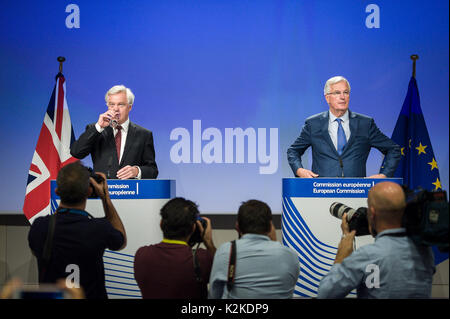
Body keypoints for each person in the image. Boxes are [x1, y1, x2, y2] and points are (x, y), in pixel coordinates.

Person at [317, 181, 435, 298]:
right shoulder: (425, 252)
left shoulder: (367, 256)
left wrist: (341, 257)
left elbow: (325, 294)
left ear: (372, 213)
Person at [28, 161, 126, 299]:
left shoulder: (40, 227)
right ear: (89, 191)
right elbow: (121, 241)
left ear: (57, 191)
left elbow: (36, 251)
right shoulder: (99, 228)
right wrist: (105, 198)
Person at [287, 76, 401, 178]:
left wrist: (384, 174)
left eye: (346, 92)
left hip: (355, 192)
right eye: (337, 93)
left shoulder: (365, 124)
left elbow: (393, 149)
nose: (342, 97)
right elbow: (293, 151)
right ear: (327, 98)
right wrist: (299, 170)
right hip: (321, 191)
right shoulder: (313, 124)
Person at [208, 200, 299, 299]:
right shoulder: (290, 256)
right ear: (270, 226)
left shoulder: (226, 251)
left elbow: (214, 295)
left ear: (237, 226)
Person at [133, 197, 216, 299]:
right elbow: (222, 271)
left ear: (161, 224)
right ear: (193, 228)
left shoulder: (142, 255)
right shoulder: (203, 258)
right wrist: (209, 242)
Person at [70, 85, 158, 179]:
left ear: (130, 107)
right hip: (103, 190)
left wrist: (136, 171)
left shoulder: (144, 134)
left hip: (132, 191)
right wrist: (98, 127)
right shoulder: (96, 130)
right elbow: (76, 152)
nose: (115, 109)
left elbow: (152, 170)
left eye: (121, 104)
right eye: (112, 104)